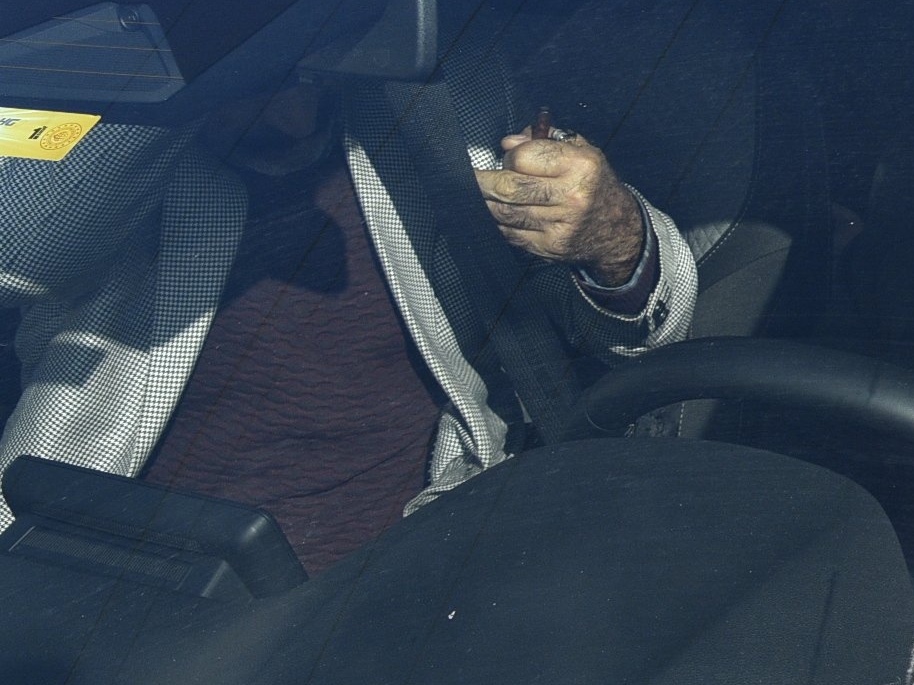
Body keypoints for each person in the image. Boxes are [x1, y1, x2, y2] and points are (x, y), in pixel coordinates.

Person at [0, 71, 695, 570]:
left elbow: (640, 337)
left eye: (310, 69)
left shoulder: (442, 105)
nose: (295, 120)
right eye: (258, 79)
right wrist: (174, 86)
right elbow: (17, 245)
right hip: (123, 568)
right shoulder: (96, 134)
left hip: (410, 559)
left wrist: (613, 236)